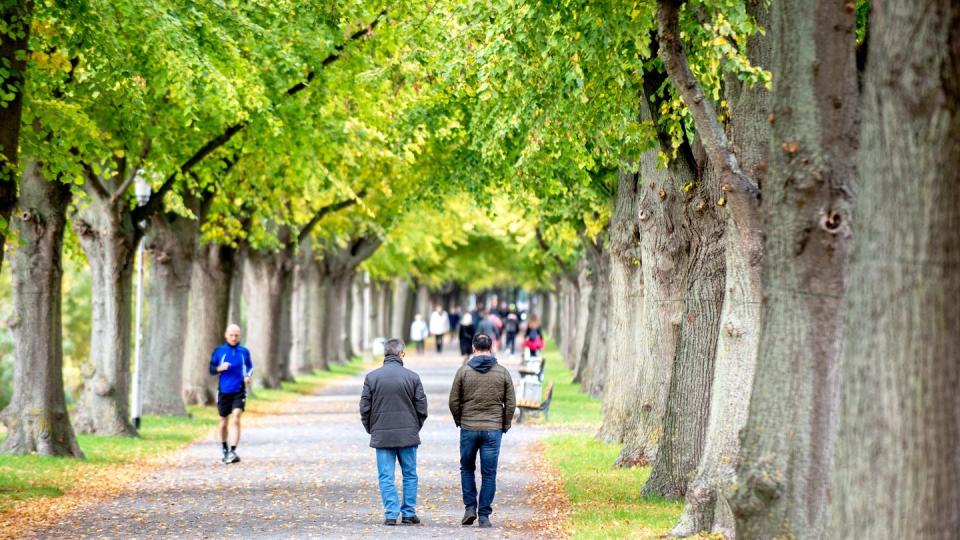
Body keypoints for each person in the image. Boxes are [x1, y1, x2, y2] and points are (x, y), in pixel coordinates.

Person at [448, 333, 517, 529]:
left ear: (473, 348)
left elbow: (453, 401)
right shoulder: (502, 372)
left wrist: (460, 420)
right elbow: (511, 403)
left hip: (469, 427)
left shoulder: (463, 372)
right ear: (492, 347)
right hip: (492, 429)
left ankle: (470, 507)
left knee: (467, 468)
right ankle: (484, 515)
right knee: (489, 474)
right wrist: (505, 424)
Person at [359, 339, 429, 526]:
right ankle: (408, 513)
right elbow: (422, 408)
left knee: (385, 475)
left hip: (382, 435)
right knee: (410, 474)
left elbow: (365, 408)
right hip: (408, 435)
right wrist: (415, 427)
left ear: (384, 354)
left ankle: (391, 513)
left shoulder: (372, 378)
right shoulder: (413, 377)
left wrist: (372, 429)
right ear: (401, 354)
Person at [209, 324, 253, 464]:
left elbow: (250, 367)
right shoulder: (219, 351)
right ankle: (224, 448)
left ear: (240, 336)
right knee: (223, 422)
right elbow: (211, 369)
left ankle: (233, 450)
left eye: (236, 335)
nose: (234, 338)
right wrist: (220, 368)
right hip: (223, 391)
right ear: (226, 335)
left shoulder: (244, 351)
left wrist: (247, 376)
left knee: (236, 418)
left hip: (239, 390)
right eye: (231, 335)